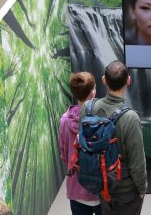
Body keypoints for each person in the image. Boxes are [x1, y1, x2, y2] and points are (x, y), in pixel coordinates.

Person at [92, 61, 147, 213]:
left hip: (102, 185)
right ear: (128, 80)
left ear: (103, 80)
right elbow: (137, 162)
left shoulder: (90, 108)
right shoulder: (130, 118)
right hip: (126, 191)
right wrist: (142, 188)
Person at [58, 72, 101, 215]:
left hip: (76, 187)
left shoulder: (64, 120)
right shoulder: (102, 117)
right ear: (92, 93)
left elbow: (64, 156)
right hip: (101, 187)